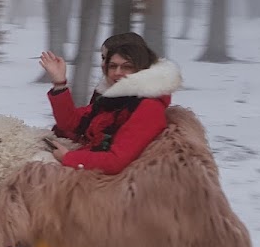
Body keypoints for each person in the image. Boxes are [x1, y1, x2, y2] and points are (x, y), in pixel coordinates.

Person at [38, 33, 182, 175]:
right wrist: (59, 83)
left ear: (141, 68)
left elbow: (116, 161)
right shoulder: (113, 97)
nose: (117, 72)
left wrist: (69, 158)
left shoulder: (148, 107)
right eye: (112, 66)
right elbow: (72, 123)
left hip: (109, 185)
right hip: (90, 164)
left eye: (127, 66)